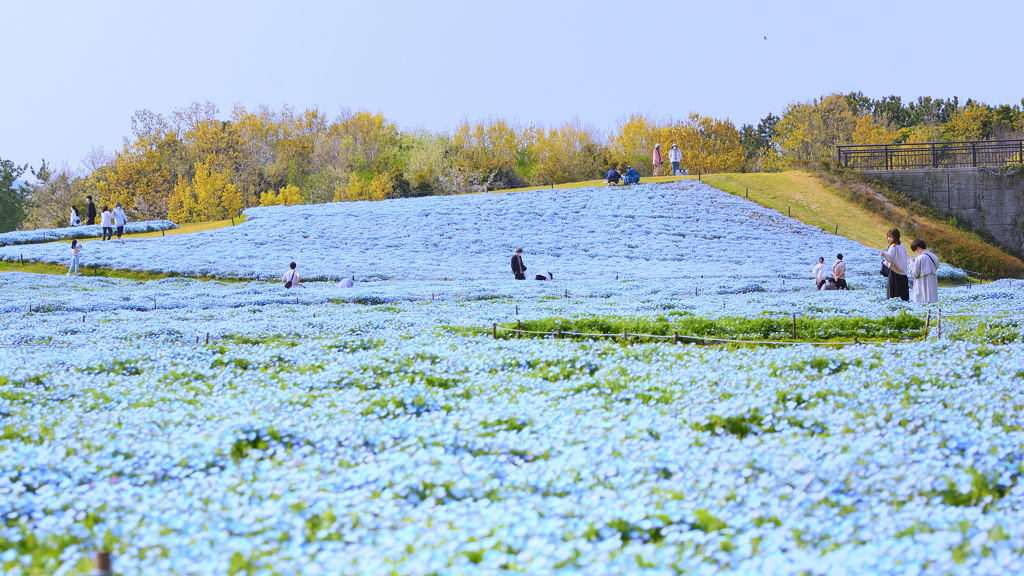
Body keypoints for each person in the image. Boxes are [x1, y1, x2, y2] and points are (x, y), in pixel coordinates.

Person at [880, 228, 909, 301]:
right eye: (888, 237)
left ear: (895, 237)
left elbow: (889, 258)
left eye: (891, 237)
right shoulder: (902, 245)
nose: (889, 239)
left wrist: (883, 255)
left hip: (895, 272)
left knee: (894, 296)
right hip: (903, 273)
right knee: (903, 296)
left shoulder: (893, 247)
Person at [910, 239, 939, 303]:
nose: (916, 252)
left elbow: (915, 274)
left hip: (922, 283)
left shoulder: (919, 258)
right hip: (932, 281)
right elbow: (936, 267)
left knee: (922, 300)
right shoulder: (934, 257)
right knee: (932, 300)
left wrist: (912, 264)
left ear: (918, 248)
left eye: (915, 250)